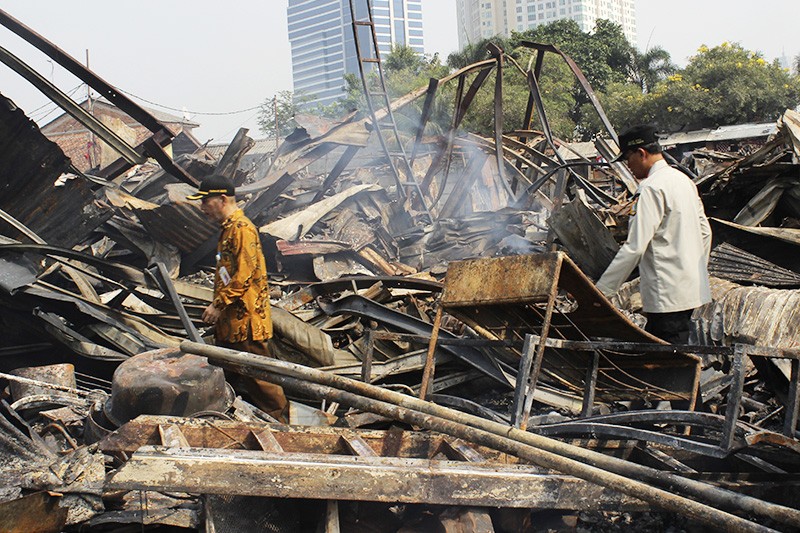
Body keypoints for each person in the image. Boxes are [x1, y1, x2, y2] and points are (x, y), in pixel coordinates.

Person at [596, 125, 712, 344]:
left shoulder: (651, 188)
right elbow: (705, 233)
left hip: (665, 294)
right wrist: (693, 273)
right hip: (690, 291)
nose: (628, 167)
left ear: (641, 153)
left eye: (628, 159)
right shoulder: (684, 181)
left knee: (669, 359)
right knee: (678, 349)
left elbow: (635, 247)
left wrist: (602, 291)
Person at [187, 174, 288, 421]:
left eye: (205, 202)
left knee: (263, 384)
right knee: (227, 377)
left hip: (247, 323)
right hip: (232, 324)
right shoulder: (229, 230)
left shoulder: (242, 229)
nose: (202, 209)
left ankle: (285, 430)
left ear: (222, 199)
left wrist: (218, 305)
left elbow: (244, 275)